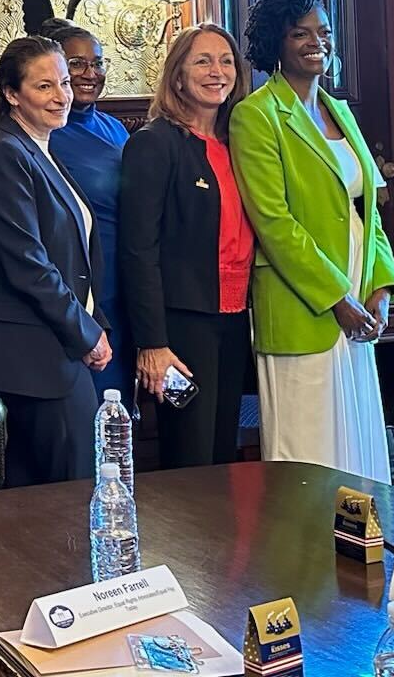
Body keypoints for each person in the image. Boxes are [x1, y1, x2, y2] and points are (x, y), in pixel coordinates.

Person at [231, 0, 394, 483]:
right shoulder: (256, 116)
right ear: (275, 45)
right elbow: (274, 222)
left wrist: (380, 288)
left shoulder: (340, 112)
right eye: (299, 33)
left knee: (359, 449)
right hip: (303, 304)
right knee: (309, 455)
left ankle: (361, 557)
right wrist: (337, 299)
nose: (316, 42)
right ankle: (300, 561)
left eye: (323, 31)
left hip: (358, 301)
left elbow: (366, 210)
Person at [0, 36, 112, 488]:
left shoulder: (40, 147)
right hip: (40, 355)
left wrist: (95, 320)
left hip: (58, 348)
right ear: (12, 94)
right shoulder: (5, 153)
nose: (62, 96)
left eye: (65, 83)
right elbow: (28, 264)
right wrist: (86, 333)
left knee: (41, 498)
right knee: (71, 493)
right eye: (44, 86)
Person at [118, 25, 255, 470]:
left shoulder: (240, 143)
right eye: (203, 61)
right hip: (181, 327)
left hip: (235, 321)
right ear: (177, 76)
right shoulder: (154, 143)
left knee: (221, 457)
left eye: (226, 61)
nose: (217, 71)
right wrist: (152, 343)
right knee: (190, 462)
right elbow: (138, 250)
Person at [42, 23, 133, 403]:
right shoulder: (46, 133)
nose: (90, 73)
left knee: (121, 414)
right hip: (82, 296)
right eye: (77, 63)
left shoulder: (115, 127)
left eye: (97, 63)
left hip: (127, 288)